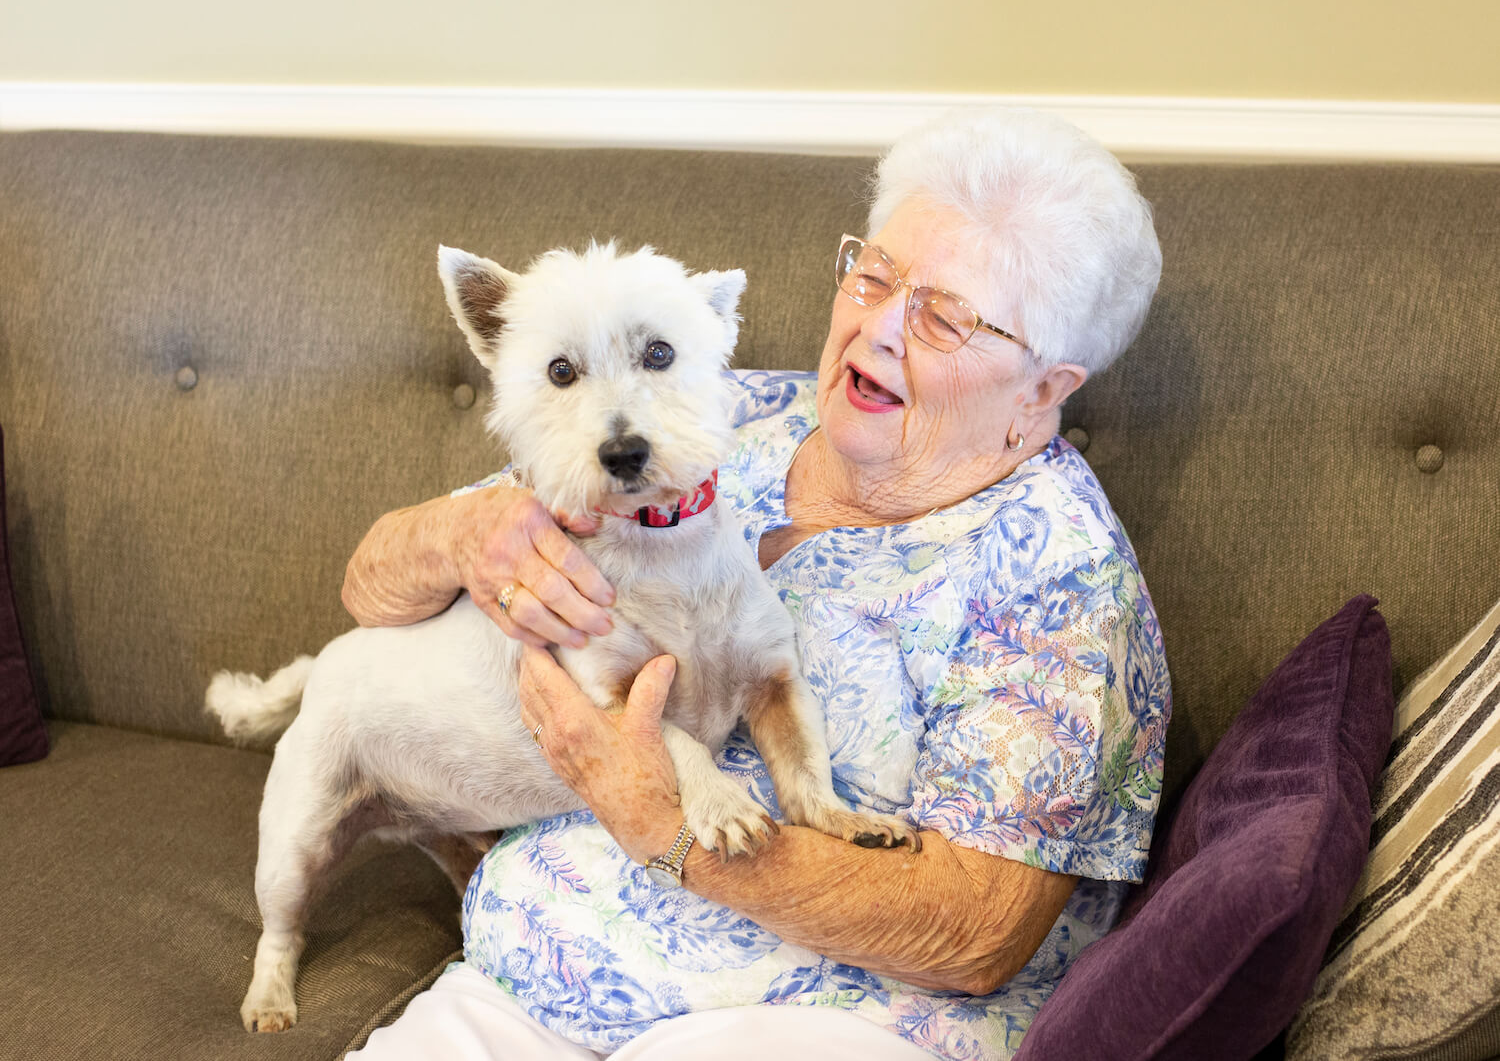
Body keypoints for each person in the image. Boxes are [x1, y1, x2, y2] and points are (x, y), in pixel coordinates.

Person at [344, 108, 1169, 1061]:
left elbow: (976, 933)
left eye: (943, 316)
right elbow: (370, 590)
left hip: (807, 1025)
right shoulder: (711, 400)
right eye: (875, 275)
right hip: (519, 989)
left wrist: (669, 825)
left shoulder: (1053, 571)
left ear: (1041, 387)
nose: (880, 327)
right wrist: (458, 533)